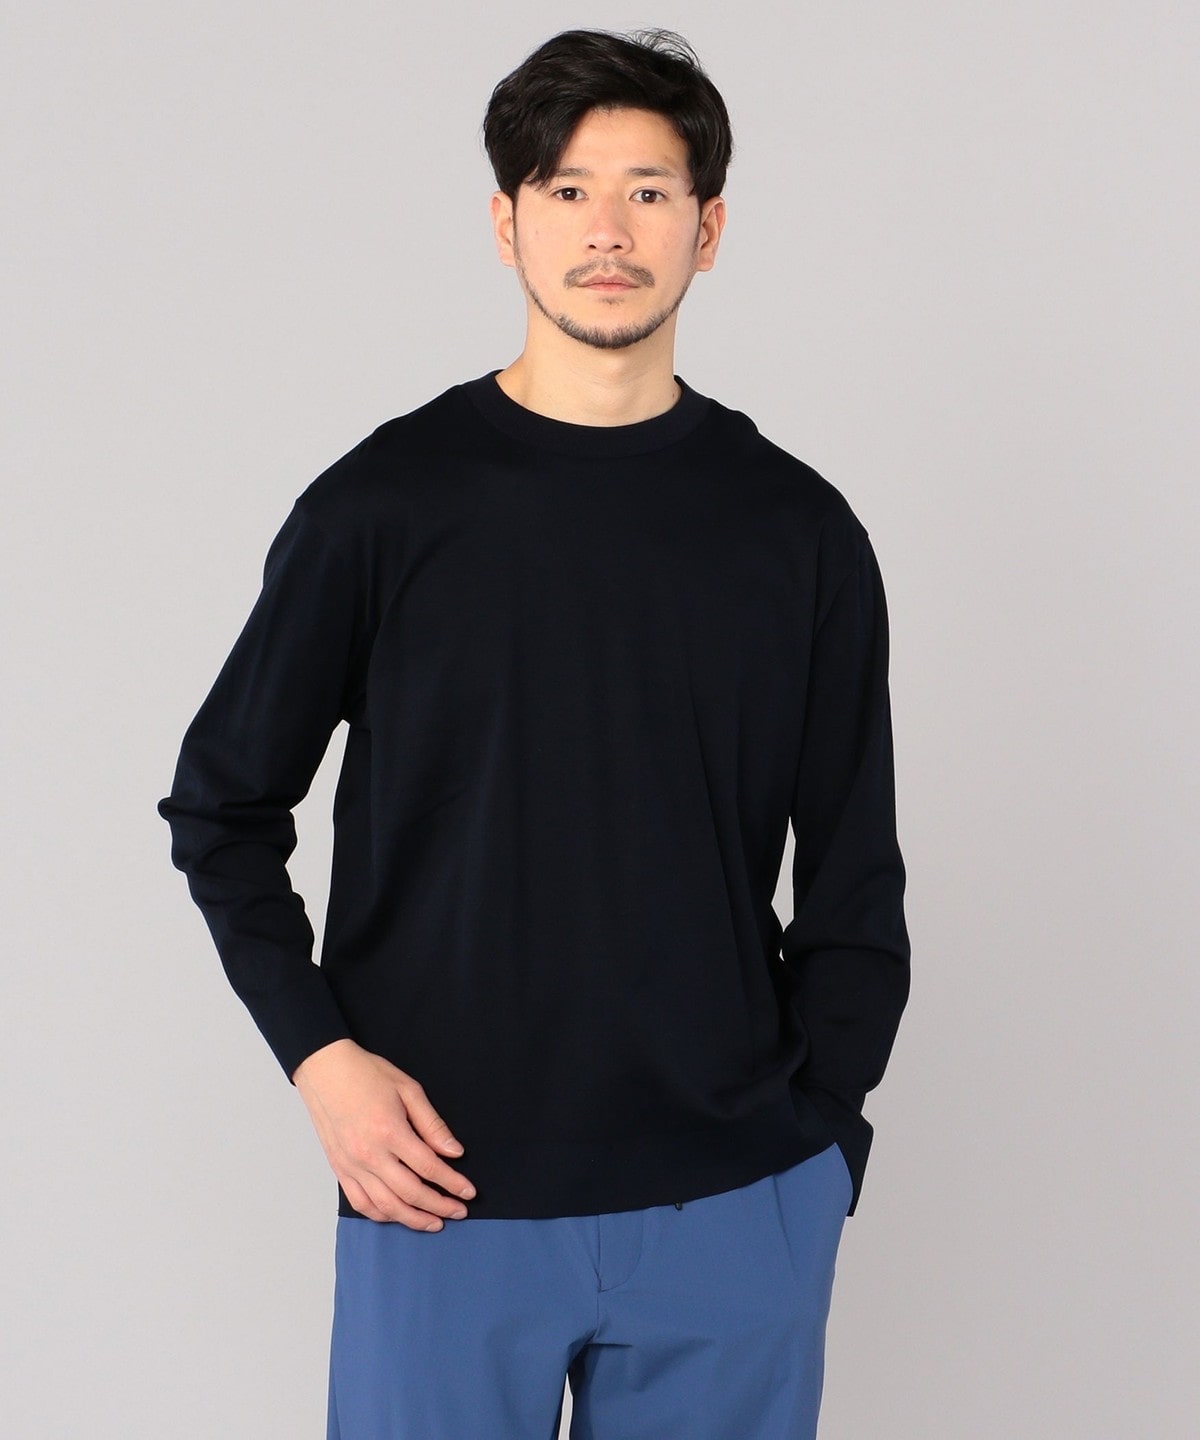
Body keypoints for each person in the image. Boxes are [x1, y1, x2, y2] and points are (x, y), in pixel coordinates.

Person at [157, 25, 910, 1440]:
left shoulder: (798, 531)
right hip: (442, 1187)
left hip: (736, 1201)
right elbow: (223, 809)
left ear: (708, 229)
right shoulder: (381, 508)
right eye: (568, 190)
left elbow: (855, 871)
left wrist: (819, 1144)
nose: (607, 229)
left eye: (648, 190)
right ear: (506, 224)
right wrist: (322, 1063)